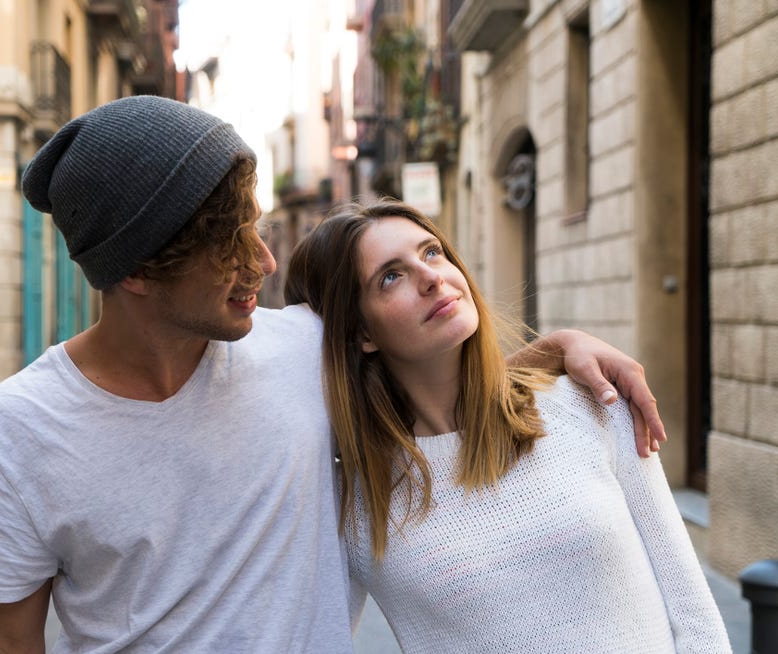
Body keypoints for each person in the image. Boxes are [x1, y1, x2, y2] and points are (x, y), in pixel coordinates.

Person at [0, 96, 666, 653]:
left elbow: (435, 373)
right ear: (136, 271)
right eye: (227, 248)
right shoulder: (23, 427)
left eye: (254, 230)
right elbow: (6, 640)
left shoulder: (305, 349)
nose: (261, 264)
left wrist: (558, 351)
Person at [284, 199, 730, 653]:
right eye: (391, 276)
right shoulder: (355, 498)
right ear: (361, 334)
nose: (432, 277)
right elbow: (304, 639)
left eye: (432, 252)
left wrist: (556, 346)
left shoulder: (593, 404)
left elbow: (693, 612)